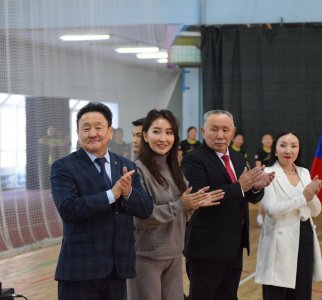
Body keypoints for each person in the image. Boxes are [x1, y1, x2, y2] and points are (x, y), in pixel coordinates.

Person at [51, 102, 154, 300]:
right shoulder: (63, 167)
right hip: (79, 269)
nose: (92, 133)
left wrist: (128, 192)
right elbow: (68, 209)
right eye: (86, 128)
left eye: (98, 127)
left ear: (109, 131)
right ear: (78, 132)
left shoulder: (126, 165)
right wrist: (111, 194)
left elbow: (146, 209)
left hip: (118, 267)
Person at [127, 109, 224, 300]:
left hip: (174, 255)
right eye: (157, 131)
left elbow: (182, 212)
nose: (163, 138)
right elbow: (140, 220)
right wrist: (181, 205)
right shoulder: (137, 171)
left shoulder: (175, 170)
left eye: (169, 132)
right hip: (146, 257)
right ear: (145, 136)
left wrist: (193, 205)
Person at [180, 110, 275, 300]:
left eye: (225, 129)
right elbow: (203, 197)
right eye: (214, 129)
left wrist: (255, 188)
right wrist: (241, 186)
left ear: (233, 131)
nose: (220, 135)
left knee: (229, 295)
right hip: (206, 246)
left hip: (234, 244)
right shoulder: (193, 160)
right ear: (203, 131)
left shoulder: (238, 158)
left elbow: (248, 196)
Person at [255, 130, 322, 300]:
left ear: (299, 149)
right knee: (277, 293)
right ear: (275, 149)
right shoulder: (267, 174)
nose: (288, 151)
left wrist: (313, 195)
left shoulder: (304, 173)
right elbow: (272, 210)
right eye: (283, 145)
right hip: (279, 241)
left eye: (294, 146)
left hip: (305, 236)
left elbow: (315, 211)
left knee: (302, 291)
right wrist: (304, 197)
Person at [254, 133, 274, 226]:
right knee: (265, 197)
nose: (268, 140)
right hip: (264, 176)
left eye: (269, 138)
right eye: (265, 138)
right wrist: (261, 175)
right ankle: (260, 215)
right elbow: (258, 166)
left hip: (275, 175)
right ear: (262, 141)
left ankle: (271, 217)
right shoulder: (259, 152)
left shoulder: (275, 151)